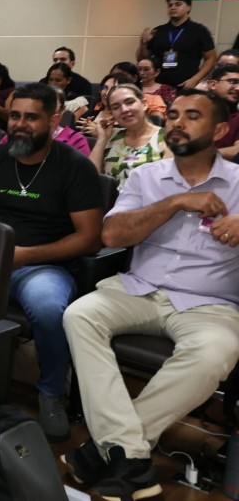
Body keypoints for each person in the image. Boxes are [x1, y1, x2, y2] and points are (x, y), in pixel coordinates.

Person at [63, 90, 239, 501]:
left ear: (219, 130)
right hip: (139, 289)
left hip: (209, 303)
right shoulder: (147, 177)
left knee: (214, 352)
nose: (177, 122)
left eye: (191, 116)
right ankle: (129, 455)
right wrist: (176, 202)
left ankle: (112, 452)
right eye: (173, 114)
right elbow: (111, 235)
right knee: (80, 314)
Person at [0, 83, 103, 442]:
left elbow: (89, 238)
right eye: (15, 116)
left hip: (44, 265)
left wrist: (24, 256)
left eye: (31, 118)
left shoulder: (75, 166)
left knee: (47, 307)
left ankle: (51, 392)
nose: (19, 125)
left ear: (54, 121)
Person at [89, 83, 170, 188]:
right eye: (116, 107)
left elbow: (168, 186)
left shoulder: (166, 138)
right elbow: (90, 178)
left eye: (130, 102)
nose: (124, 110)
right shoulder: (111, 136)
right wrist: (102, 140)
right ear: (112, 114)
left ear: (144, 104)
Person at [137, 0, 216, 89]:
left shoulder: (199, 30)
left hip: (186, 85)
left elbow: (211, 58)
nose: (173, 8)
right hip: (159, 85)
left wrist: (195, 79)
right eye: (170, 5)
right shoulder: (158, 31)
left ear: (188, 7)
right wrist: (143, 44)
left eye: (178, 4)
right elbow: (142, 59)